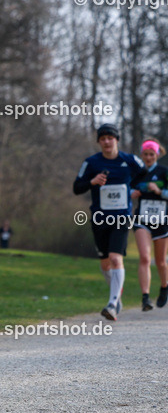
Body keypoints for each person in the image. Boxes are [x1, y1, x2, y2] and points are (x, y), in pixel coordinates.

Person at [73, 124, 145, 321]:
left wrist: (138, 189)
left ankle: (112, 303)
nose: (106, 141)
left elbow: (146, 177)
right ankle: (116, 295)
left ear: (117, 140)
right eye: (102, 138)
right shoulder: (91, 163)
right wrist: (92, 182)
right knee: (105, 263)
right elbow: (77, 187)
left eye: (110, 138)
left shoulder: (130, 161)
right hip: (99, 218)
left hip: (122, 217)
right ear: (99, 142)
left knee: (115, 258)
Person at [130, 138, 168, 311]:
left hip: (161, 220)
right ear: (142, 155)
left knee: (160, 261)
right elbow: (127, 189)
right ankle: (145, 297)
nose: (148, 157)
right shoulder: (138, 173)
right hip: (141, 220)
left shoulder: (164, 172)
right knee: (145, 257)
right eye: (145, 154)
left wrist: (160, 191)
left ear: (157, 155)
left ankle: (164, 287)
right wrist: (132, 193)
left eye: (151, 154)